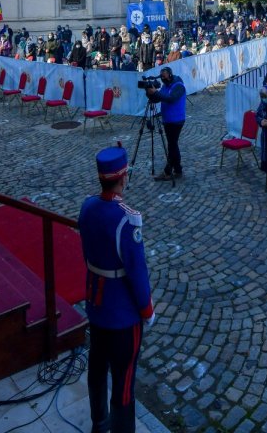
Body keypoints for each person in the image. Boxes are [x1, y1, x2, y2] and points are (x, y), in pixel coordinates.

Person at [78, 146, 155, 433]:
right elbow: (137, 272)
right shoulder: (126, 219)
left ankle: (99, 422)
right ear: (122, 178)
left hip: (97, 303)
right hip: (122, 311)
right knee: (124, 380)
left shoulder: (87, 206)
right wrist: (146, 309)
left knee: (97, 366)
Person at [147, 66, 187, 181]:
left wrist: (156, 92)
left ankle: (168, 171)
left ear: (170, 74)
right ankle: (178, 169)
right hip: (168, 120)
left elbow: (171, 98)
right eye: (161, 77)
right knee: (173, 145)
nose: (163, 78)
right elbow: (157, 99)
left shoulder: (178, 85)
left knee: (171, 145)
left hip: (177, 120)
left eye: (164, 76)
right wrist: (150, 93)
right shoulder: (165, 86)